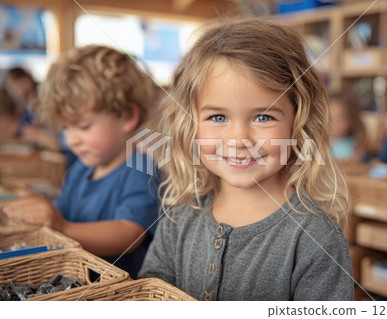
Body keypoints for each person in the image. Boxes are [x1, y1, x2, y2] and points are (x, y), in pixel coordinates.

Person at [138, 18, 353, 301]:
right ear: (191, 125)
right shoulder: (179, 216)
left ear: (299, 123)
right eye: (218, 117)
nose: (239, 140)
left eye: (263, 117)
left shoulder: (316, 239)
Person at [3, 45, 161, 278]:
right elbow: (60, 213)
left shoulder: (141, 169)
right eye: (65, 127)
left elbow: (128, 234)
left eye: (83, 126)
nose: (70, 139)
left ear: (127, 116)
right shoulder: (78, 170)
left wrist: (62, 227)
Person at [328, 90, 366, 159]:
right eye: (330, 119)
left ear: (352, 120)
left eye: (341, 119)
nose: (334, 125)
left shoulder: (355, 146)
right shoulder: (317, 144)